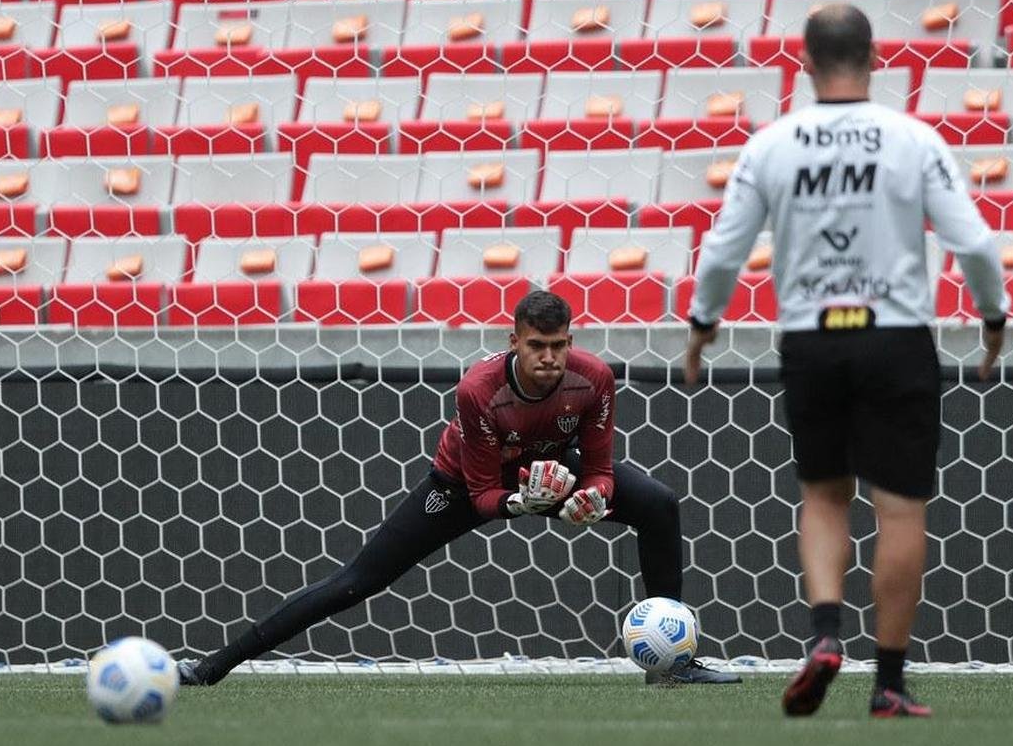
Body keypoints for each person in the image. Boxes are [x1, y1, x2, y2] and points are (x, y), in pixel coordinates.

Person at [683, 5, 1010, 717]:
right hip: (894, 337)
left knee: (824, 494)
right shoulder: (912, 138)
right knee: (897, 509)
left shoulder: (771, 144)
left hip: (811, 339)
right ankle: (888, 683)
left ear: (804, 64)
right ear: (873, 58)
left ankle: (824, 634)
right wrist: (992, 320)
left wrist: (701, 329)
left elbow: (721, 251)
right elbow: (978, 247)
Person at [180, 291, 739, 686]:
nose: (549, 358)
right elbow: (480, 493)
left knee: (659, 506)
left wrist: (592, 495)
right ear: (513, 340)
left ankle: (674, 664)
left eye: (560, 345)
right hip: (467, 484)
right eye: (538, 345)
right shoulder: (478, 390)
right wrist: (523, 502)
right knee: (357, 582)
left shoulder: (593, 378)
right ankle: (212, 668)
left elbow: (597, 466)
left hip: (553, 471)